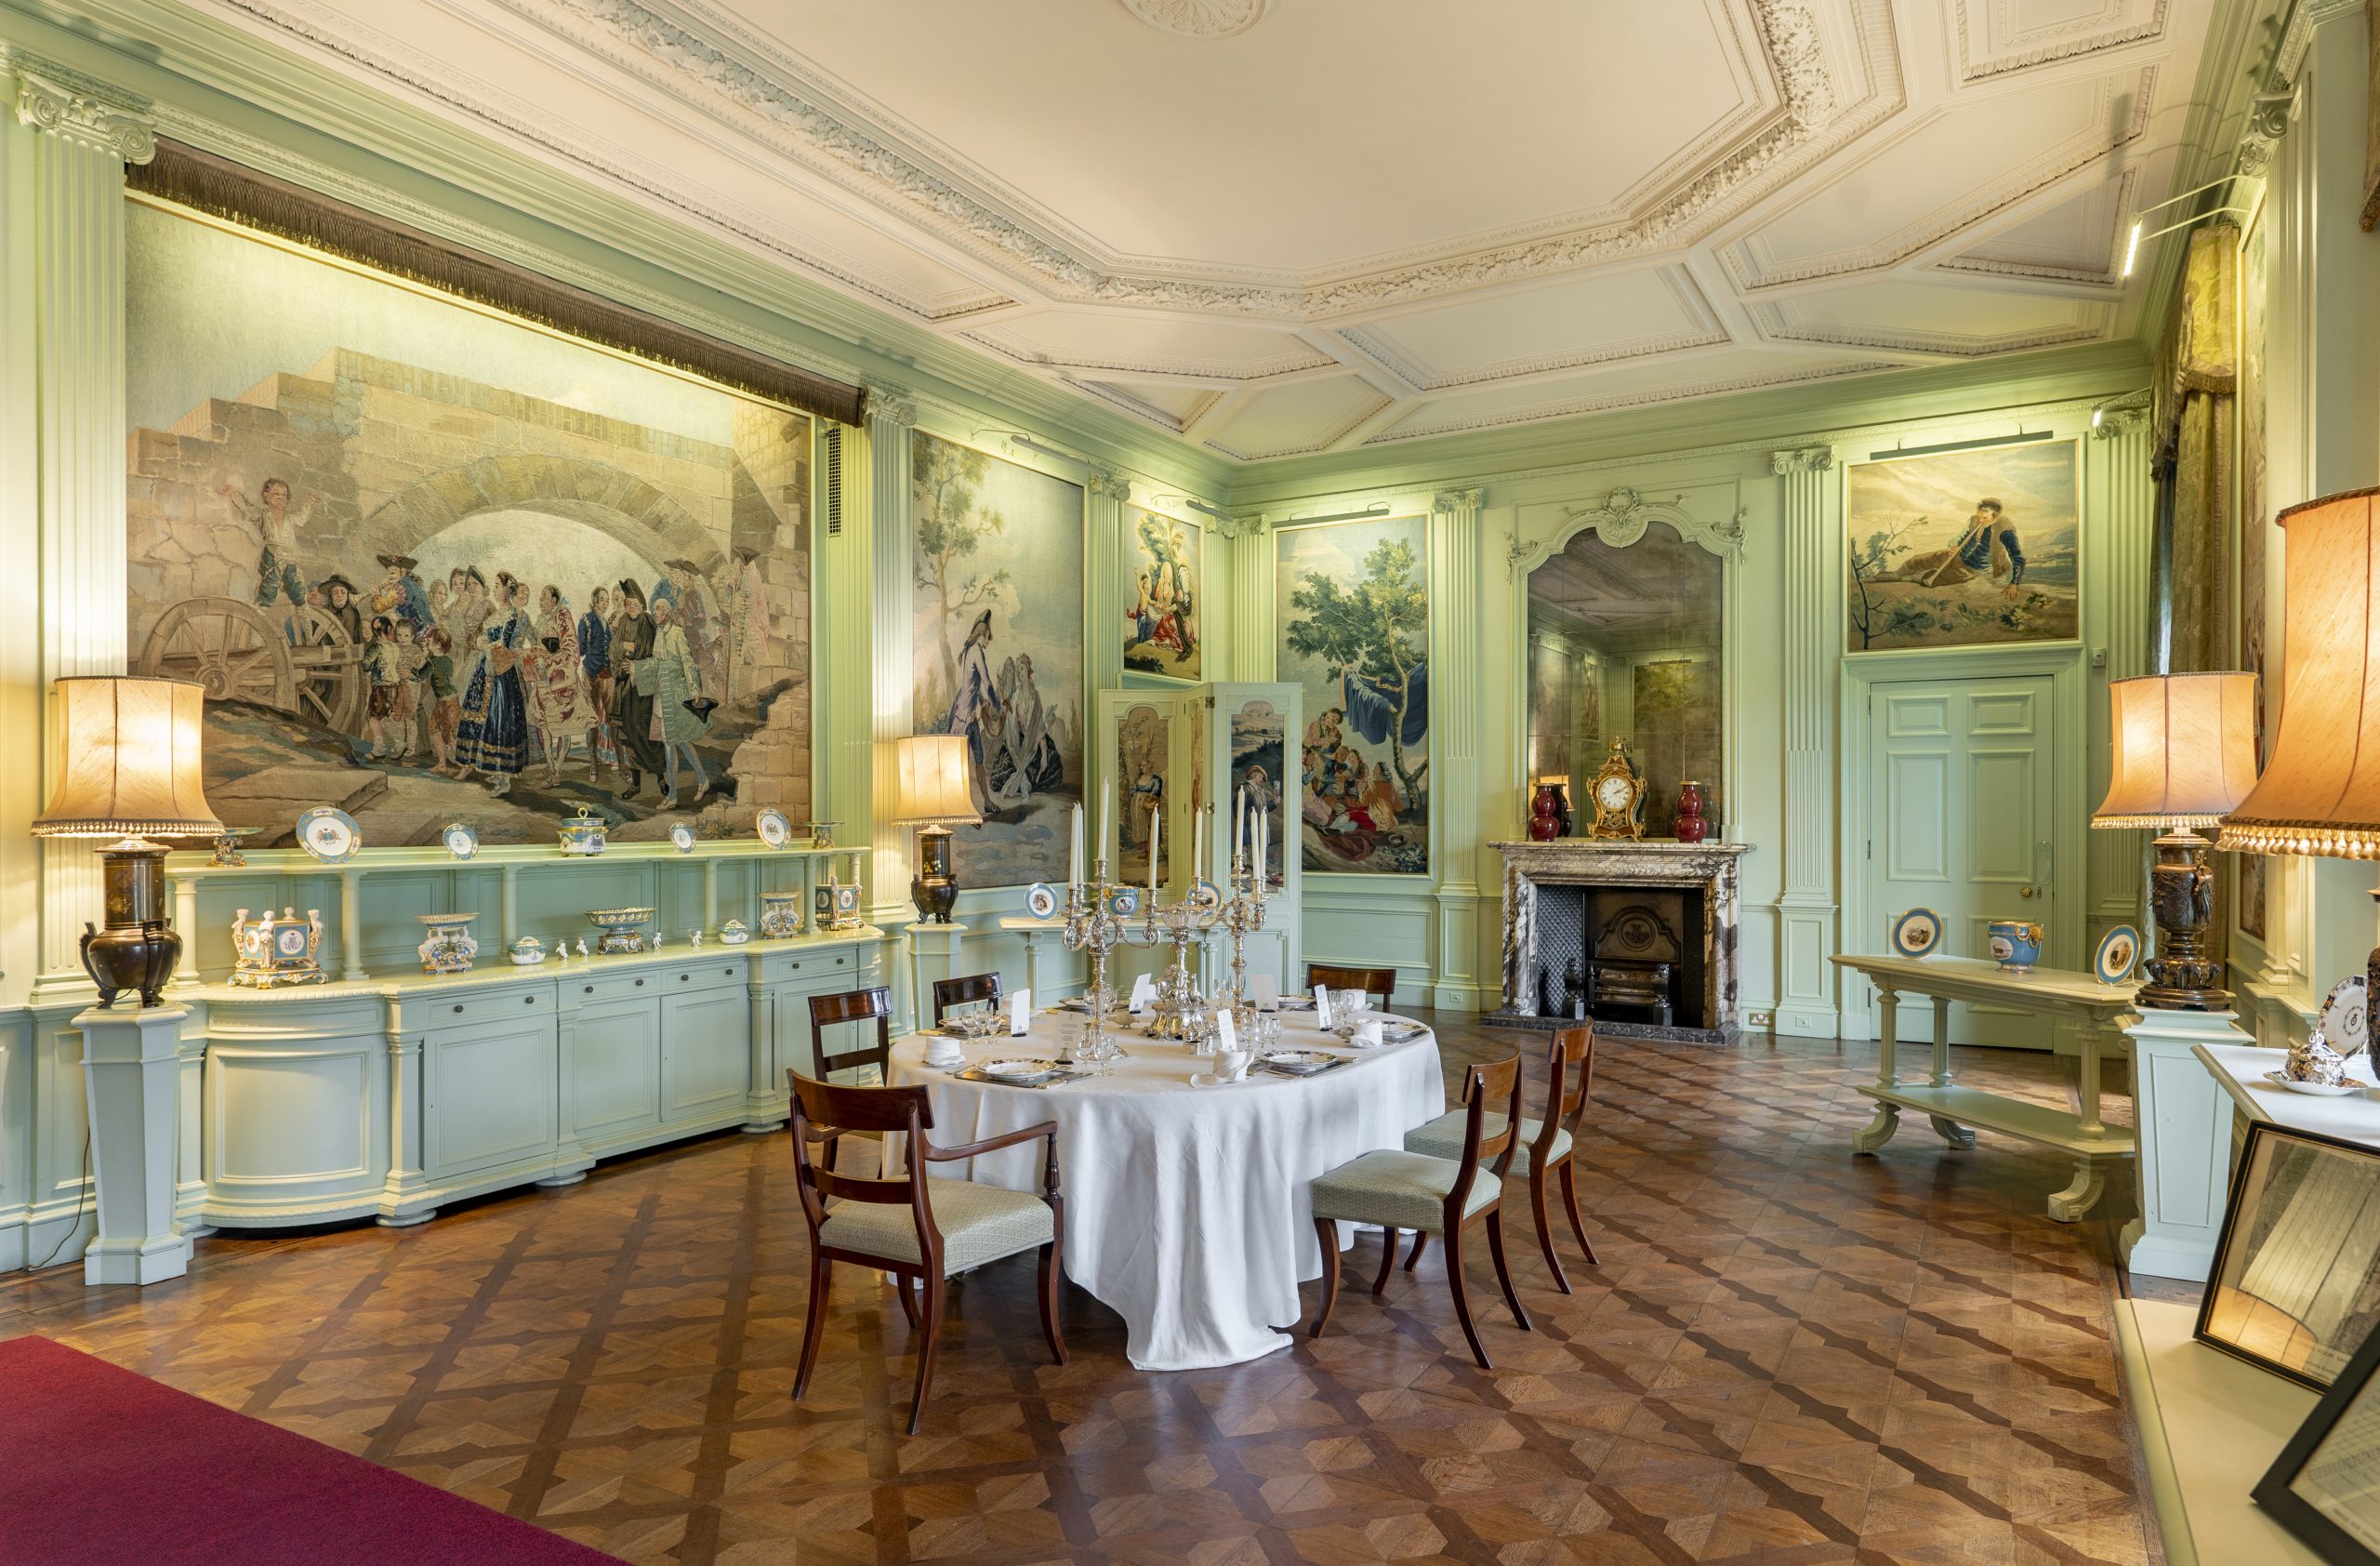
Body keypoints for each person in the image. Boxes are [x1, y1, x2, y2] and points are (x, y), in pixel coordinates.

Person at [452, 571, 529, 795]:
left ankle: (504, 778)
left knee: (499, 720)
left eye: (498, 586)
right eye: (494, 585)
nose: (494, 589)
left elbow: (503, 644)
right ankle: (495, 769)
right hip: (484, 670)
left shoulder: (511, 615)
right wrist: (480, 642)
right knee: (480, 718)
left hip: (501, 675)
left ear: (507, 590)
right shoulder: (496, 615)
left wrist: (483, 642)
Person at [522, 584, 595, 787]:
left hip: (561, 684)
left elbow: (571, 650)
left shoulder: (562, 615)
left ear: (554, 600)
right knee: (543, 725)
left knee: (563, 728)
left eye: (544, 597)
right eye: (540, 597)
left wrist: (547, 663)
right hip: (543, 682)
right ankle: (551, 765)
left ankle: (558, 770)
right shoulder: (541, 619)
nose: (540, 600)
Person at [1886, 498, 2029, 600]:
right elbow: (1960, 537)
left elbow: (2018, 558)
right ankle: (1897, 574)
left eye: (1984, 517)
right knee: (1925, 559)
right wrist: (1953, 547)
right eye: (1979, 516)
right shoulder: (1974, 520)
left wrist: (2014, 583)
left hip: (1974, 569)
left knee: (1934, 579)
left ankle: (1909, 578)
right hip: (1958, 556)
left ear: (1995, 515)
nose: (1980, 520)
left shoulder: (2005, 530)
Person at [644, 596, 709, 809]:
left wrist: (695, 688)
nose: (654, 613)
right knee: (678, 741)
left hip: (677, 696)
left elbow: (688, 661)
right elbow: (657, 662)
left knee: (672, 743)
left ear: (666, 612)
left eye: (657, 610)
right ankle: (703, 780)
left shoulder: (676, 633)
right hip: (662, 696)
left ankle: (672, 796)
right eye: (653, 610)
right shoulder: (659, 633)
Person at [609, 578, 664, 802]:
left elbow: (651, 651)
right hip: (624, 687)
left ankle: (661, 778)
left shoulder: (648, 622)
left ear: (642, 606)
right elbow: (613, 649)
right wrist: (623, 648)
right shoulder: (622, 620)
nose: (631, 609)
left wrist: (635, 662)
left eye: (635, 605)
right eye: (628, 604)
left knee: (648, 734)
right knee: (628, 735)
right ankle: (636, 784)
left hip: (643, 688)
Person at [945, 609, 1005, 814]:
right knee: (960, 766)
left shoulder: (971, 650)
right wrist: (996, 703)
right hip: (963, 718)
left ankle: (987, 803)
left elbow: (973, 687)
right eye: (989, 637)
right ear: (984, 633)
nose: (989, 642)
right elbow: (986, 681)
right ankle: (961, 809)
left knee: (978, 762)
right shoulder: (976, 650)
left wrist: (982, 704)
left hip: (970, 718)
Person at [219, 476, 310, 610]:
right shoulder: (263, 515)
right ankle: (261, 612)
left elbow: (302, 518)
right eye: (276, 494)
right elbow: (247, 509)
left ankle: (304, 616)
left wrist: (310, 503)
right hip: (272, 556)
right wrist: (233, 494)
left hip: (288, 558)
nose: (280, 498)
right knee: (269, 586)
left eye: (284, 495)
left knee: (295, 588)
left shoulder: (290, 518)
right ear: (266, 496)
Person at [580, 585, 616, 767]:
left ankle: (616, 758)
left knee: (612, 716)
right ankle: (592, 761)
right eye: (602, 599)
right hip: (592, 674)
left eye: (607, 600)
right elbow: (581, 649)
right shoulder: (587, 620)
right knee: (592, 717)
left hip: (607, 674)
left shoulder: (607, 622)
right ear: (595, 601)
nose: (606, 603)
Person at [421, 626, 460, 776]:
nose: (427, 643)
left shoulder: (433, 662)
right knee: (434, 729)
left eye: (430, 641)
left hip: (448, 703)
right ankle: (442, 764)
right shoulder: (446, 660)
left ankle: (466, 765)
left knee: (449, 735)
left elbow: (419, 676)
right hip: (445, 701)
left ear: (438, 645)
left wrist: (408, 672)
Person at [361, 617, 402, 759]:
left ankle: (380, 748)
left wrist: (371, 667)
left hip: (381, 686)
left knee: (373, 717)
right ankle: (399, 741)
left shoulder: (376, 647)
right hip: (395, 685)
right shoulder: (395, 647)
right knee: (385, 715)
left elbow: (365, 664)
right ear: (389, 629)